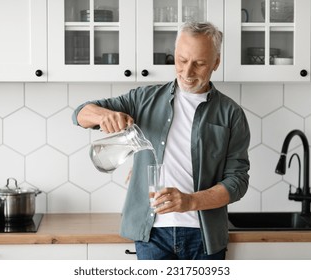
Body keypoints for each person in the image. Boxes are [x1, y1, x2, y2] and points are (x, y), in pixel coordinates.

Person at [72, 21, 250, 260]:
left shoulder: (231, 113)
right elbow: (80, 114)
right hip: (152, 235)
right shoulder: (143, 99)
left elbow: (237, 181)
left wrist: (190, 201)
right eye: (182, 60)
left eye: (199, 63)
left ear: (216, 63)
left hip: (204, 238)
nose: (187, 72)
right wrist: (104, 115)